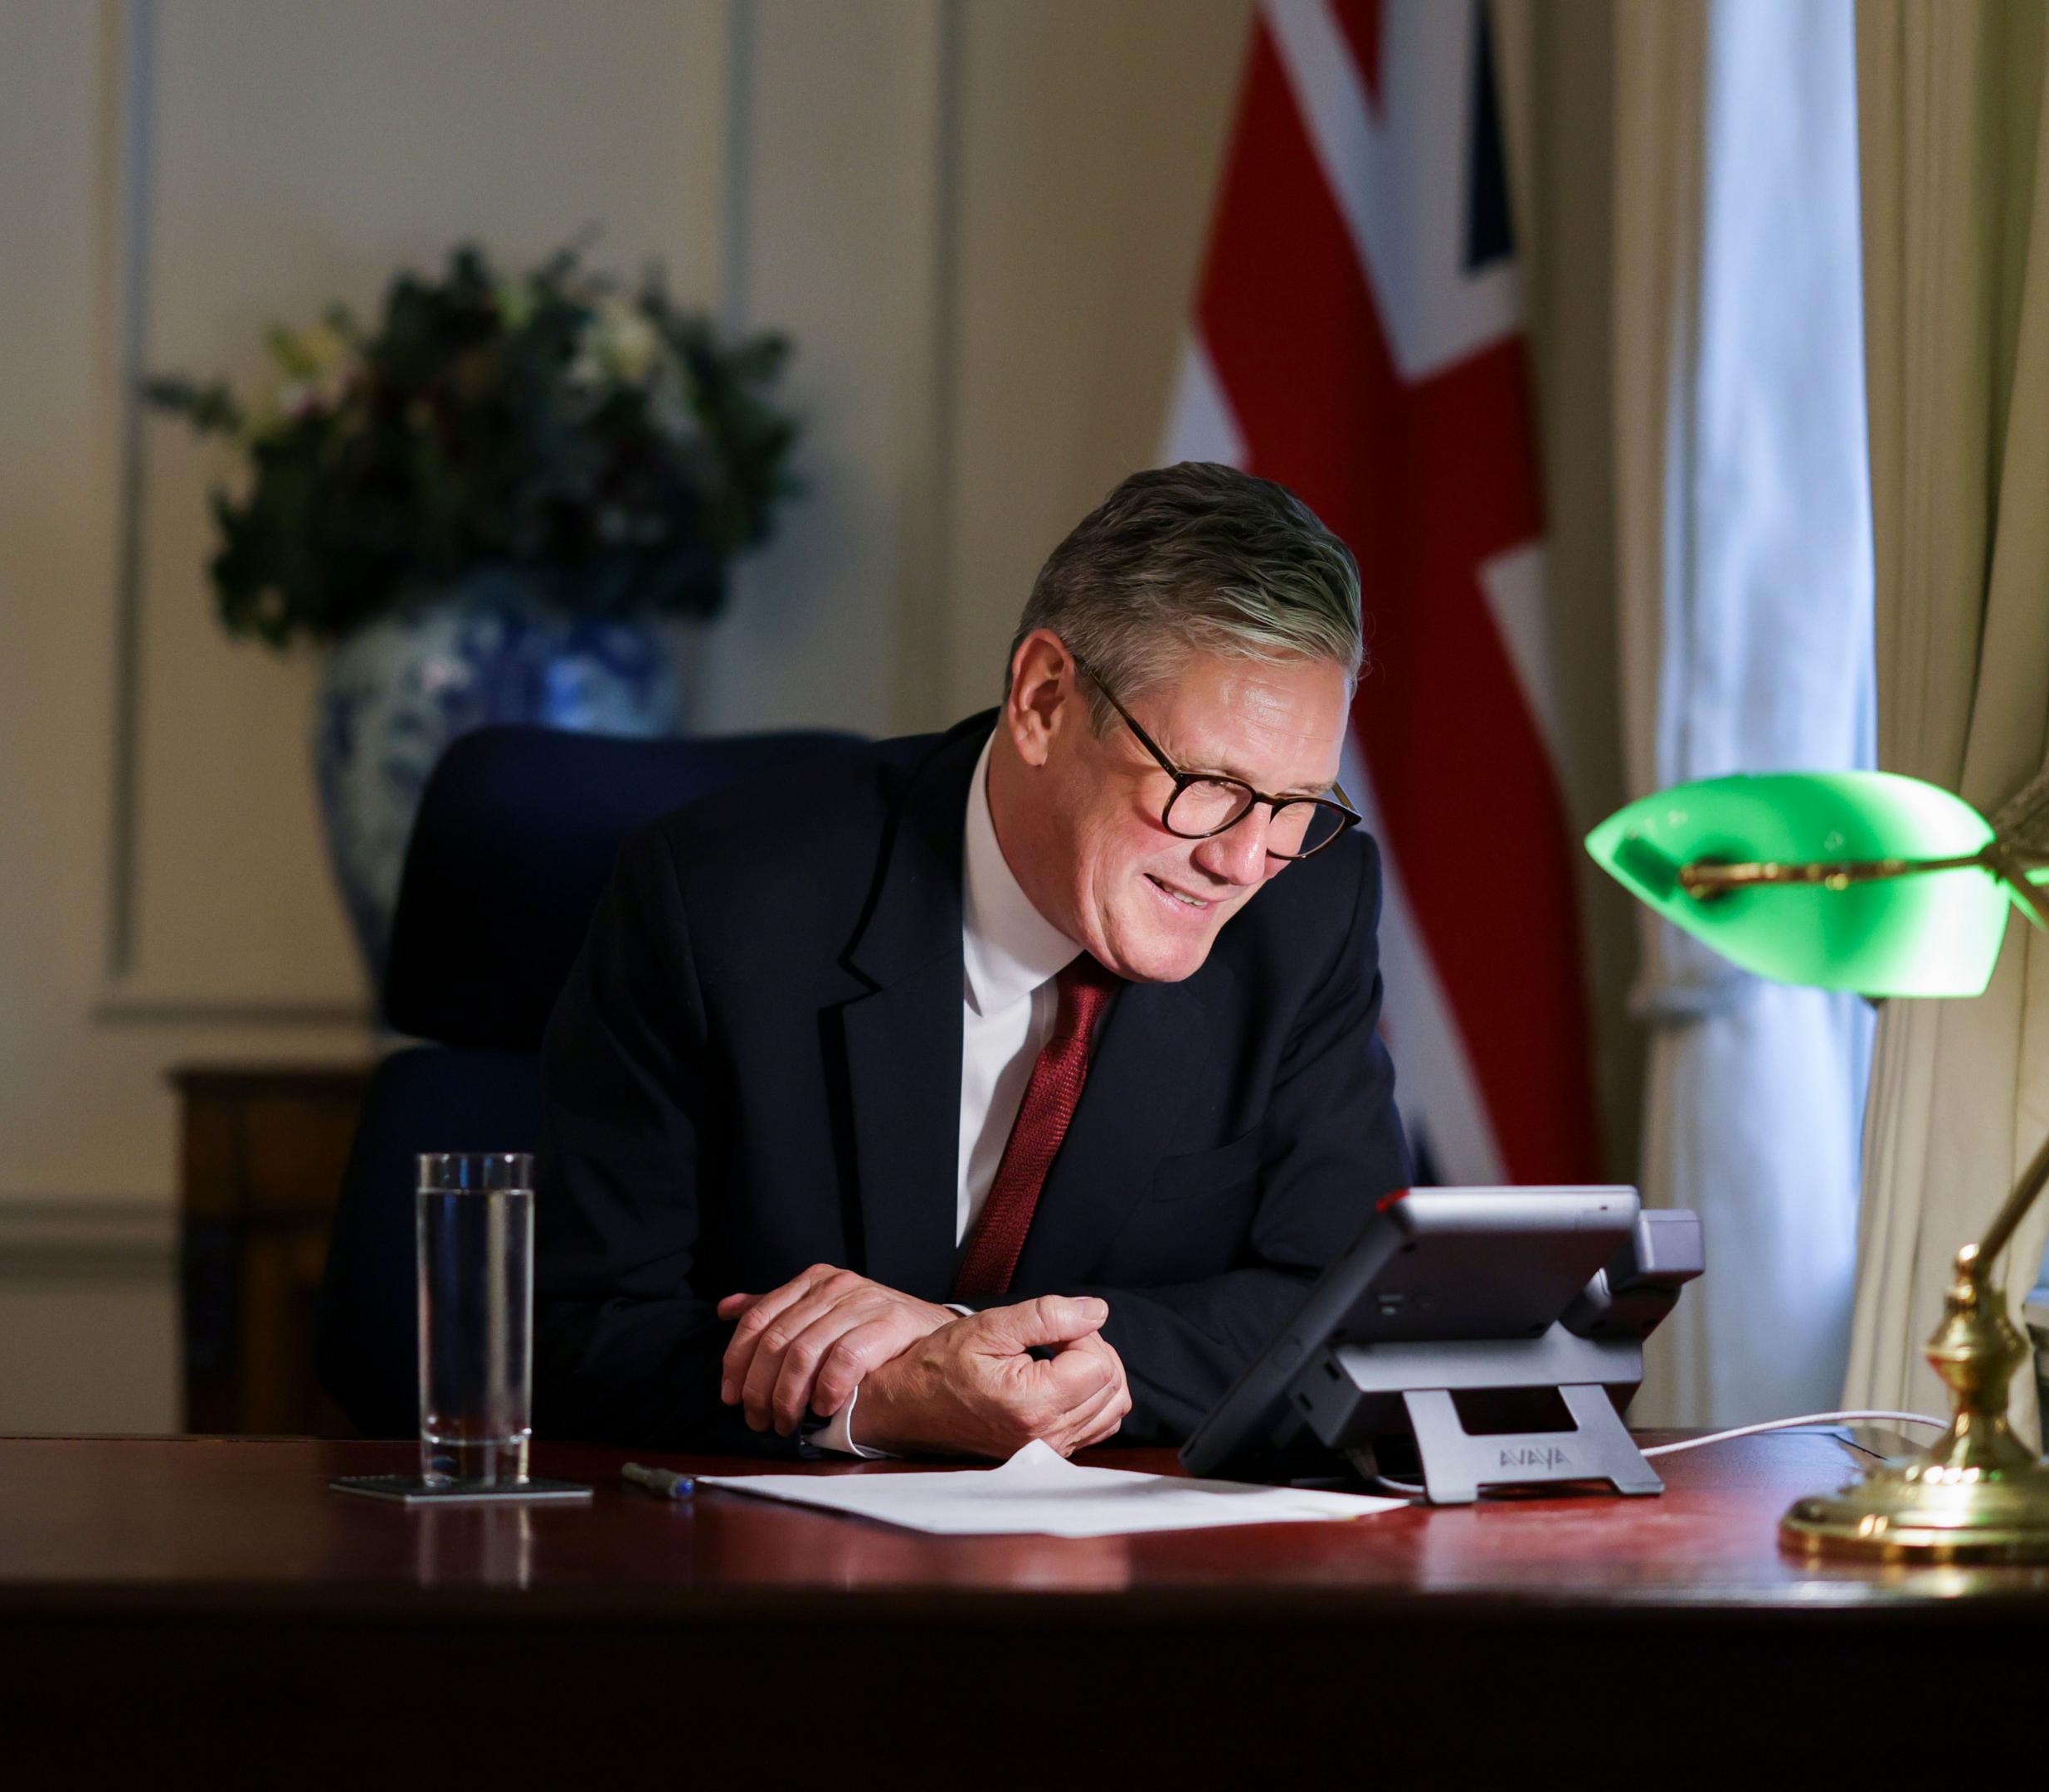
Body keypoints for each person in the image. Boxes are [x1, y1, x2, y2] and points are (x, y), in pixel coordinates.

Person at [534, 462, 1409, 1458]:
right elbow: (573, 1331)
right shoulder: (720, 902)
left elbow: (1349, 1307)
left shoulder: (1309, 908)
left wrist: (995, 1353)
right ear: (1042, 701)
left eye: (1297, 802)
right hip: (777, 1580)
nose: (1246, 860)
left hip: (1130, 1576)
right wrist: (879, 1402)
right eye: (1208, 784)